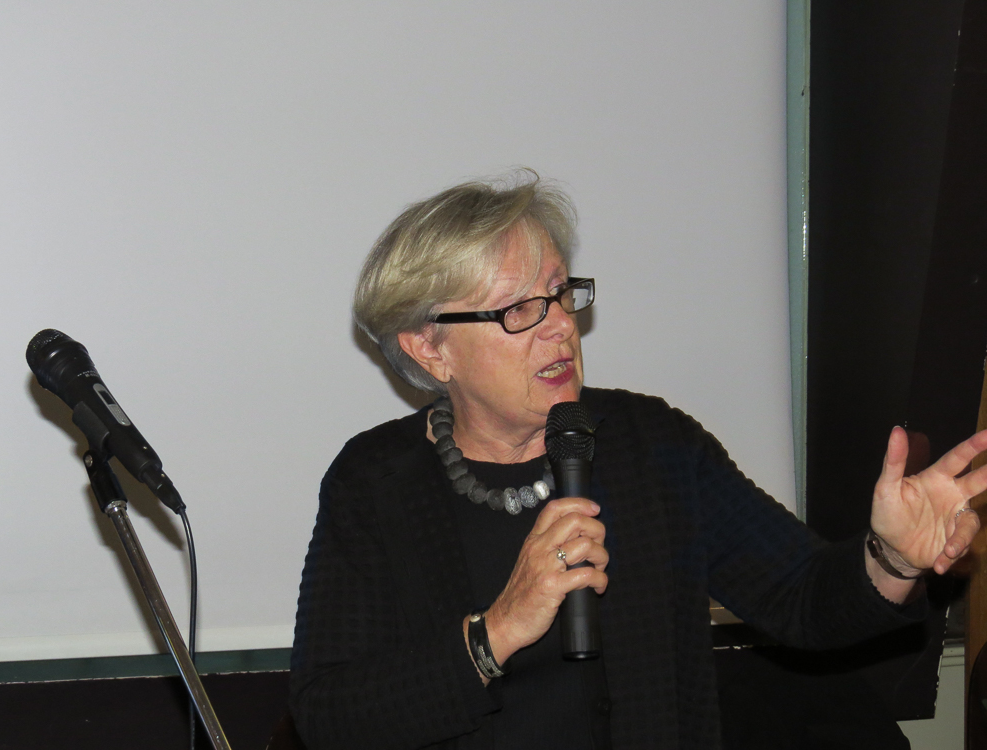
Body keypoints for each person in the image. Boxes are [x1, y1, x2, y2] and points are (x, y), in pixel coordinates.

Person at [289, 172, 985, 749]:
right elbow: (329, 717)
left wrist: (892, 560)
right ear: (431, 349)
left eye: (559, 293)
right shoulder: (372, 483)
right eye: (518, 311)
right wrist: (498, 629)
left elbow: (803, 600)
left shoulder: (654, 445)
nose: (560, 326)